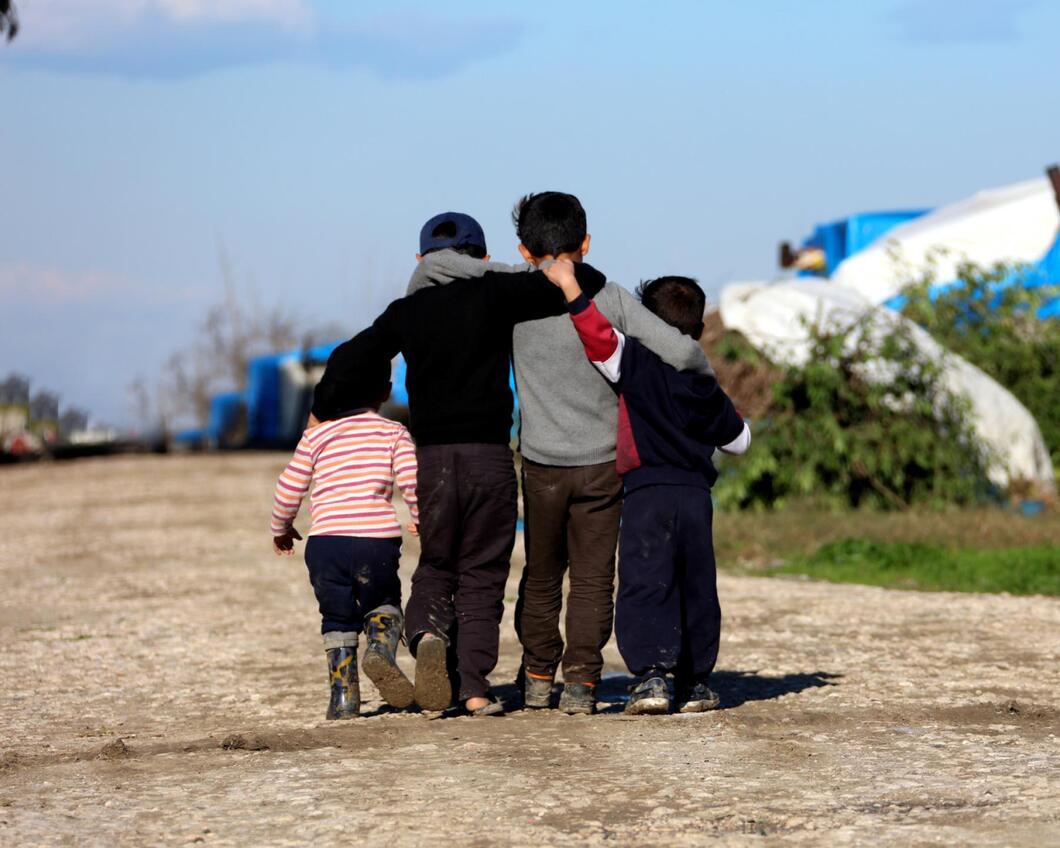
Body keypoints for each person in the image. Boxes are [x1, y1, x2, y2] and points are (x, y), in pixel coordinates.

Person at [310, 212, 607, 716]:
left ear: (420, 259)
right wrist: (532, 270)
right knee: (483, 573)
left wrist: (320, 410)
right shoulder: (496, 291)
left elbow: (350, 357)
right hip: (488, 458)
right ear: (483, 258)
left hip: (433, 461)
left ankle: (428, 634)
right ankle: (473, 689)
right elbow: (582, 279)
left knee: (438, 564)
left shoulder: (406, 311)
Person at [509, 193, 715, 715]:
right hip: (602, 464)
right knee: (593, 578)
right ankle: (581, 683)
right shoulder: (611, 297)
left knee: (541, 573)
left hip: (540, 463)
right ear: (586, 243)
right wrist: (707, 390)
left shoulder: (510, 297)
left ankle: (537, 677)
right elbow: (682, 350)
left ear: (524, 250)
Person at [542, 261, 750, 715]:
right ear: (698, 330)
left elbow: (597, 335)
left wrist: (571, 287)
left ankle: (652, 677)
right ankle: (695, 683)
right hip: (695, 496)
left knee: (645, 581)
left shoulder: (634, 362)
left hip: (645, 493)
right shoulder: (703, 382)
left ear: (644, 323)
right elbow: (739, 441)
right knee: (696, 584)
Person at [271, 358, 419, 720]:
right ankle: (380, 652)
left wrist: (281, 527)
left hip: (326, 545)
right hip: (376, 542)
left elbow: (289, 488)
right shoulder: (393, 432)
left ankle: (343, 699)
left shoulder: (316, 436)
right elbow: (413, 481)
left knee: (336, 617)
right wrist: (421, 518)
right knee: (383, 602)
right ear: (386, 392)